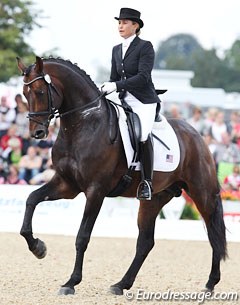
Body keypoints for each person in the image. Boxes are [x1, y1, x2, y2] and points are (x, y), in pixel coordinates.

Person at [101, 7, 161, 200]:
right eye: (119, 22)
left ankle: (146, 182)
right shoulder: (116, 50)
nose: (121, 26)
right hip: (123, 99)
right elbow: (113, 77)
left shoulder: (145, 47)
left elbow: (143, 77)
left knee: (142, 135)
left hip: (143, 101)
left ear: (135, 26)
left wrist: (116, 85)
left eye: (125, 22)